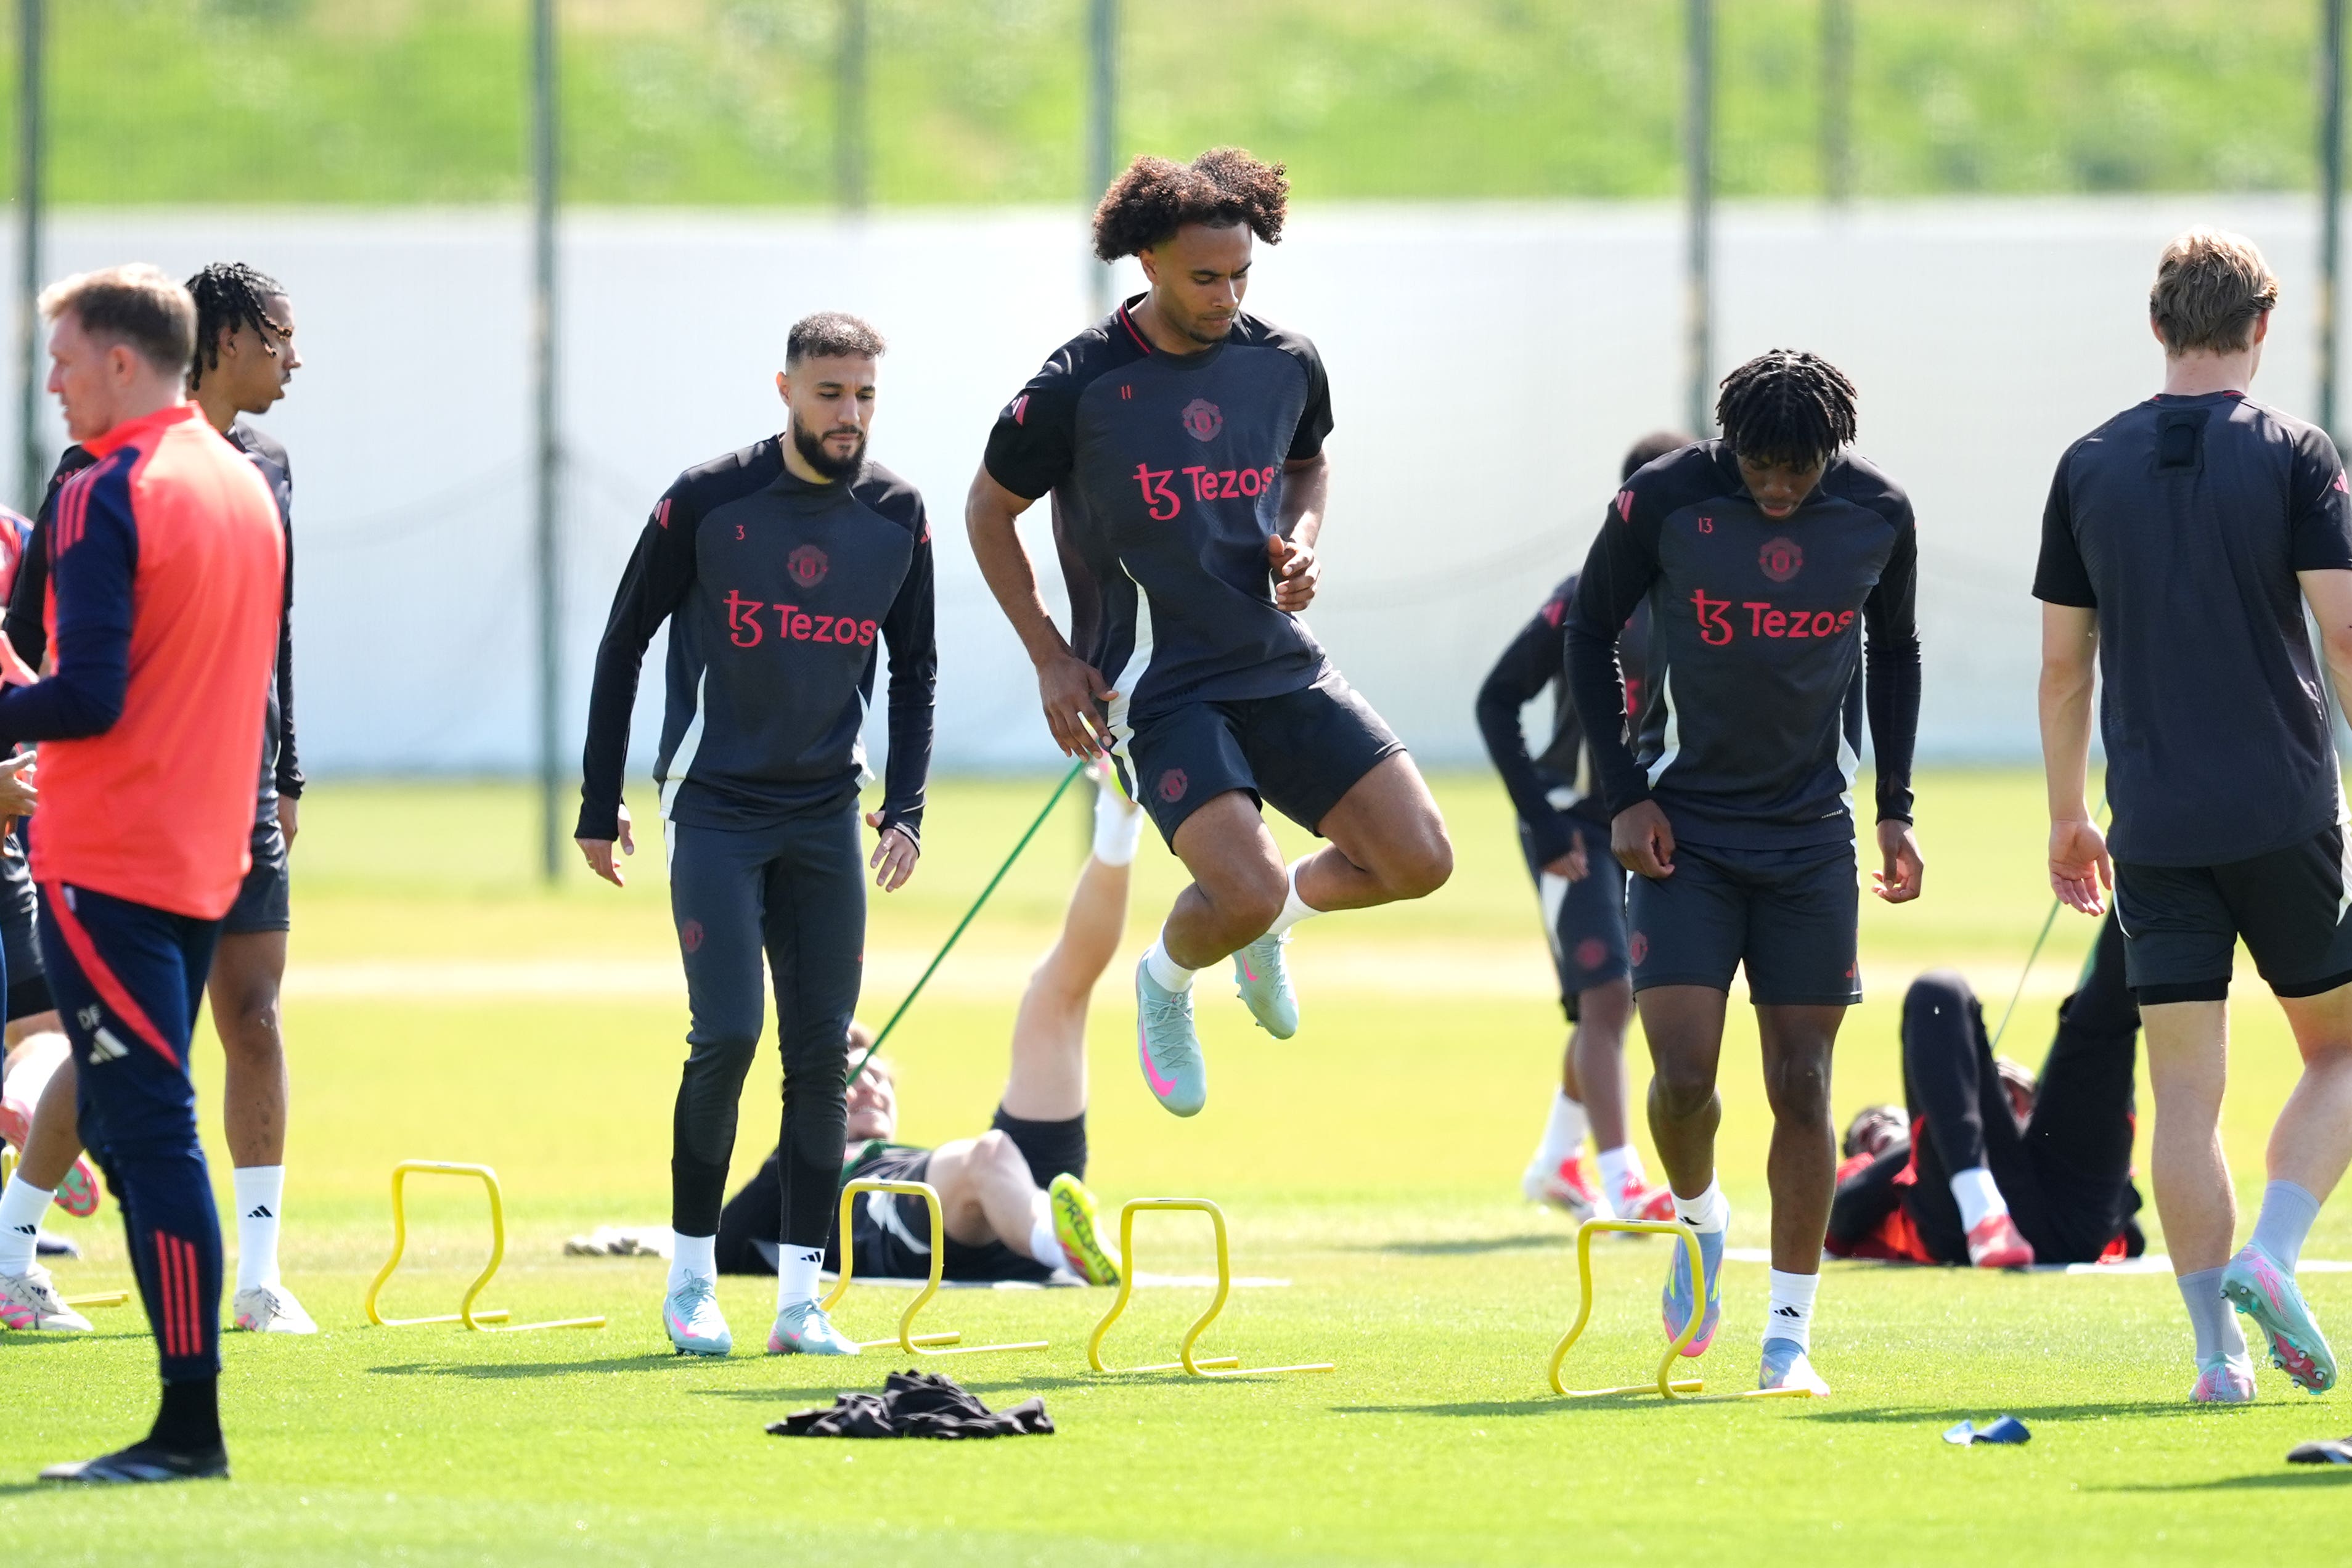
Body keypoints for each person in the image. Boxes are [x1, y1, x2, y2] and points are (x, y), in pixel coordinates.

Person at [968, 147, 1452, 1119]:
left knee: (1419, 859)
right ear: (1145, 261)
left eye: (1241, 275)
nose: (1227, 294)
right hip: (1158, 685)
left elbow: (1309, 468)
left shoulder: (1285, 361)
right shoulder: (1079, 385)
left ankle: (1269, 928)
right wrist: (1053, 658)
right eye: (1204, 277)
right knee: (1242, 888)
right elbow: (988, 510)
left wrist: (1303, 542)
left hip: (1275, 661)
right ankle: (1166, 980)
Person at [1564, 348, 1924, 1397]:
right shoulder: (1661, 503)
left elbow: (1893, 653)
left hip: (1812, 837)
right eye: (1760, 466)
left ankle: (1787, 1338)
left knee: (1802, 1082)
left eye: (1798, 470)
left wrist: (1893, 807)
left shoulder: (1879, 515)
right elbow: (1590, 632)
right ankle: (1700, 1221)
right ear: (1728, 446)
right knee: (1682, 1074)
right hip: (1685, 831)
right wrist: (1624, 791)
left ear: (1832, 452)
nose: (1777, 488)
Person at [576, 311, 935, 1360]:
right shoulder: (708, 497)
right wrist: (602, 800)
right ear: (785, 388)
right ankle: (690, 1283)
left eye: (865, 393)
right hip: (718, 809)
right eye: (830, 393)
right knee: (728, 1033)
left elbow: (916, 668)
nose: (849, 413)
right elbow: (623, 638)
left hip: (826, 813)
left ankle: (799, 1301)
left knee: (820, 1058)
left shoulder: (898, 511)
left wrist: (905, 805)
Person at [2037, 229, 2352, 1405]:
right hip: (2281, 810)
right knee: (2340, 1046)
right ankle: (2272, 1250)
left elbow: (2065, 668)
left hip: (2151, 826)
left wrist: (2071, 815)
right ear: (2259, 327)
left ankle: (2216, 1359)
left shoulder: (2086, 463)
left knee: (2185, 1097)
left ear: (2157, 325)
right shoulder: (2294, 452)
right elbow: (2347, 629)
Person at [7, 264, 285, 1483]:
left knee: (154, 1134)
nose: (53, 382)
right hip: (201, 858)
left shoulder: (102, 489)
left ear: (124, 360)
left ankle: (188, 1430)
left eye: (64, 358)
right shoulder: (242, 484)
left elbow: (90, 695)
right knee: (129, 1121)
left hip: (107, 859)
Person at [715, 777, 1138, 1288]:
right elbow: (727, 1243)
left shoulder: (905, 1155)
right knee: (989, 1154)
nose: (871, 1084)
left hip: (1005, 1199)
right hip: (932, 1218)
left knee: (1056, 997)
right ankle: (1066, 1246)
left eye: (878, 1077)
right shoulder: (796, 1174)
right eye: (853, 1079)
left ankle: (1119, 814)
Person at [1479, 430, 1688, 1223]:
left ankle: (1556, 1161)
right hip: (1574, 832)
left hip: (1658, 829)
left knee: (1623, 1003)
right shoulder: (1583, 598)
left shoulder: (1703, 600)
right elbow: (1496, 700)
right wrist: (1541, 819)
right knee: (1607, 1001)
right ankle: (1625, 1178)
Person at [1827, 915, 2146, 1268]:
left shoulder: (1964, 1127)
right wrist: (1965, 1121)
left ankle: (2140, 878)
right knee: (1935, 989)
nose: (1878, 1126)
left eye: (1885, 1117)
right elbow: (1842, 1215)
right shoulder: (1865, 1171)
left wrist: (2028, 1114)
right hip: (1957, 1227)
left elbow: (2131, 1229)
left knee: (2102, 1013)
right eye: (1866, 1133)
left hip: (2068, 1219)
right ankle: (1983, 1214)